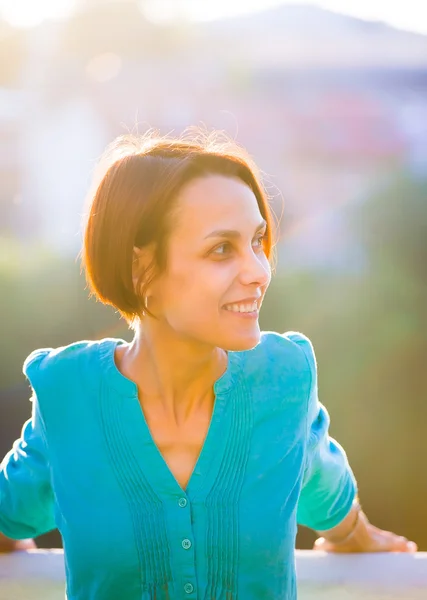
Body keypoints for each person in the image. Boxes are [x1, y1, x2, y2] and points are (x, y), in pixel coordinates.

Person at [0, 131, 417, 598]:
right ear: (142, 271)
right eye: (222, 249)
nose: (259, 270)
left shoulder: (284, 381)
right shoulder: (68, 396)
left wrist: (359, 538)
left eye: (257, 240)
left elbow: (321, 481)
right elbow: (10, 509)